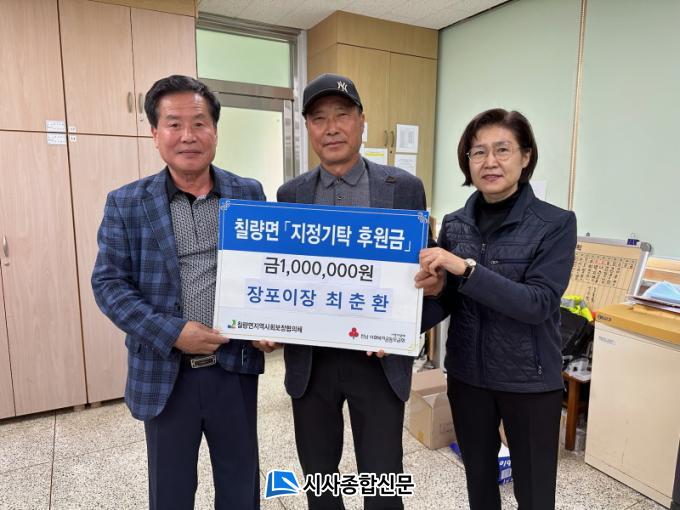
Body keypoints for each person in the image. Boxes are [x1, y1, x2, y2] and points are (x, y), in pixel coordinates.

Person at [91, 75, 266, 510]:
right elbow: (109, 285)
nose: (188, 135)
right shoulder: (126, 203)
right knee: (170, 493)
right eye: (174, 124)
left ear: (215, 131)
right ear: (155, 133)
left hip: (234, 366)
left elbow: (267, 269)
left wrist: (270, 322)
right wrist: (173, 332)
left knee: (241, 486)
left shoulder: (248, 193)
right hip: (165, 373)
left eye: (199, 123)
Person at [260, 73, 427, 510]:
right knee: (319, 478)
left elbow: (425, 275)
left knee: (383, 478)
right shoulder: (290, 194)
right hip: (311, 361)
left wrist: (412, 314)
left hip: (378, 359)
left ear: (362, 121)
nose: (331, 128)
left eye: (342, 115)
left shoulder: (403, 188)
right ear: (307, 128)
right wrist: (267, 320)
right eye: (318, 118)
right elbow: (284, 273)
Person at [416, 108, 577, 510]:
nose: (489, 162)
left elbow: (538, 303)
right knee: (479, 483)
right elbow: (449, 299)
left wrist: (466, 269)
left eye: (502, 149)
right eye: (478, 152)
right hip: (468, 377)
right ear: (467, 162)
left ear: (525, 156)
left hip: (530, 382)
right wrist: (397, 325)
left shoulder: (555, 224)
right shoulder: (455, 224)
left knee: (535, 494)